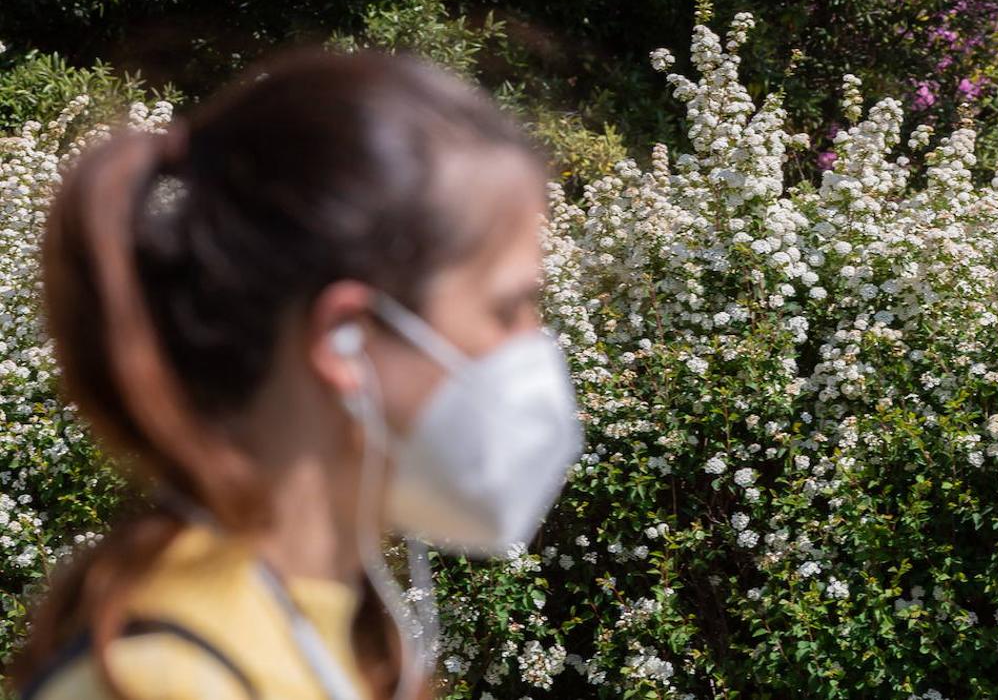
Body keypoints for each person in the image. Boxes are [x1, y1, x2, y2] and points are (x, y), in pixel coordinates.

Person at [6, 48, 585, 700]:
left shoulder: (327, 634)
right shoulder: (166, 682)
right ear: (345, 340)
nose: (535, 347)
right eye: (507, 308)